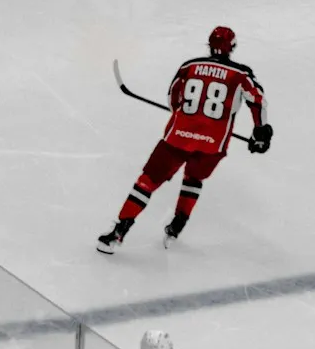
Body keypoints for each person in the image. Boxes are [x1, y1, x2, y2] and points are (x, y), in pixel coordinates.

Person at [98, 27, 271, 253]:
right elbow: (258, 100)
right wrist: (260, 131)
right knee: (194, 177)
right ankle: (177, 225)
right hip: (213, 144)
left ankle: (118, 231)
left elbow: (173, 99)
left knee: (148, 180)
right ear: (232, 47)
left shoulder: (189, 66)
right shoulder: (241, 74)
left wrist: (186, 119)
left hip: (177, 138)